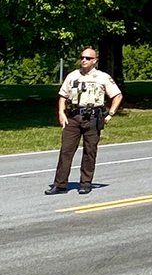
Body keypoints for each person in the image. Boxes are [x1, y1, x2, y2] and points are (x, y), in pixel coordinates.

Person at [45, 47, 123, 195]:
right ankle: (60, 185)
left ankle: (85, 183)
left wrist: (110, 114)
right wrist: (61, 113)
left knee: (90, 151)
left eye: (88, 58)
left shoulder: (103, 77)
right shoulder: (73, 76)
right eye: (82, 57)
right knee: (66, 151)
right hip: (73, 117)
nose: (84, 60)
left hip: (93, 118)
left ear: (94, 61)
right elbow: (63, 96)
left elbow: (117, 96)